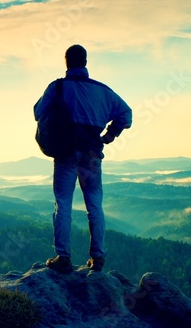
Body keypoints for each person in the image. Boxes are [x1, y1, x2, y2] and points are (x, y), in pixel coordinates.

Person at [33, 44, 132, 273]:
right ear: (85, 62)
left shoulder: (57, 87)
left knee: (63, 204)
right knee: (94, 205)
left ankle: (63, 257)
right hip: (91, 155)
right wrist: (110, 133)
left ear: (66, 62)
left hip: (65, 152)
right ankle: (97, 258)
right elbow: (126, 114)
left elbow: (38, 112)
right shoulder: (103, 91)